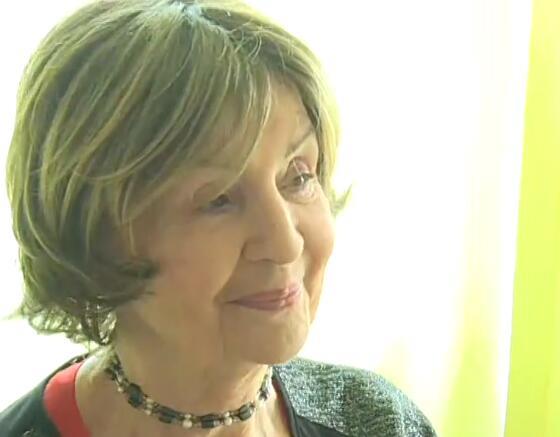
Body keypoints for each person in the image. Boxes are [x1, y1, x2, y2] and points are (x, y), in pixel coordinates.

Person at [0, 0, 438, 436]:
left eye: (299, 176)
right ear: (97, 232)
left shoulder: (378, 423)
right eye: (218, 199)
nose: (285, 243)